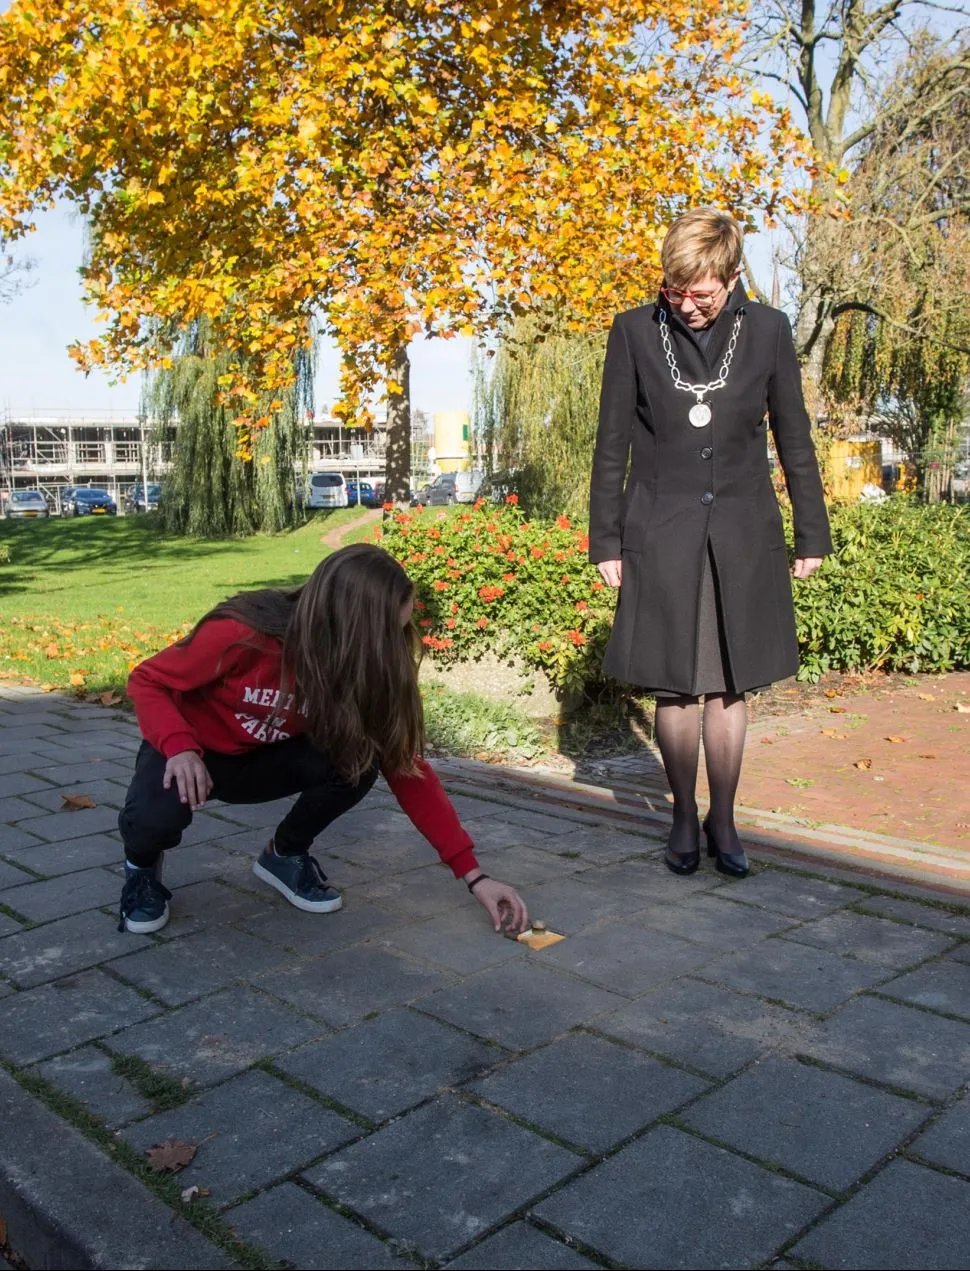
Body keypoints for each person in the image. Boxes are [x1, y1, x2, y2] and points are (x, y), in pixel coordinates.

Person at [589, 208, 832, 879]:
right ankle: (679, 815)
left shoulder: (770, 332)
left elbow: (794, 437)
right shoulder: (635, 331)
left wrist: (812, 530)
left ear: (732, 277)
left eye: (702, 292)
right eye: (675, 290)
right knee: (675, 685)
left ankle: (721, 817)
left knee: (728, 684)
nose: (688, 304)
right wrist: (604, 538)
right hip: (660, 529)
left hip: (743, 530)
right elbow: (611, 445)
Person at [116, 543, 529, 934]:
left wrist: (474, 876)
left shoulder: (361, 666)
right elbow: (148, 680)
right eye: (387, 633)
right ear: (351, 625)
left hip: (265, 762)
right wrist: (179, 746)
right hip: (191, 756)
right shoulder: (242, 633)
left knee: (362, 759)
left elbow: (407, 768)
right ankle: (141, 869)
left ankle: (283, 854)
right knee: (152, 821)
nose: (392, 647)